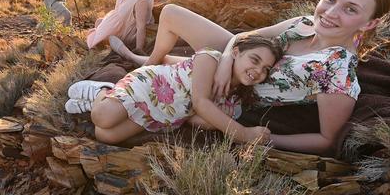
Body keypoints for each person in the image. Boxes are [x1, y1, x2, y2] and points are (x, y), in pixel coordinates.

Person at [112, 0, 390, 155]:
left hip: (241, 89)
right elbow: (245, 36)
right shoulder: (304, 23)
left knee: (123, 125)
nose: (331, 12)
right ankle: (144, 61)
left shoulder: (336, 68)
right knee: (172, 12)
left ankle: (140, 60)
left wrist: (256, 138)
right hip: (236, 62)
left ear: (370, 22)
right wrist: (225, 61)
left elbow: (327, 140)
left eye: (350, 9)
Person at [65, 34, 283, 145]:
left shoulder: (234, 103)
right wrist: (244, 133)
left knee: (105, 135)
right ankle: (102, 90)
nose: (257, 71)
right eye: (254, 60)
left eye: (265, 69)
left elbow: (197, 120)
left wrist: (207, 120)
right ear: (235, 52)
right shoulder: (211, 59)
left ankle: (101, 100)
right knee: (102, 117)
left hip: (162, 115)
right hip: (150, 86)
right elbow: (200, 102)